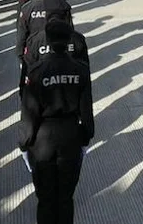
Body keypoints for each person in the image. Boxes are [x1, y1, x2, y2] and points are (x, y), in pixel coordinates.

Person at [20, 18, 94, 224]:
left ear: (48, 40)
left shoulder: (36, 72)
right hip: (70, 134)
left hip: (43, 137)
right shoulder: (80, 70)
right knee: (65, 197)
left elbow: (29, 111)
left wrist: (25, 141)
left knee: (45, 198)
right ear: (69, 38)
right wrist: (86, 135)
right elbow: (86, 108)